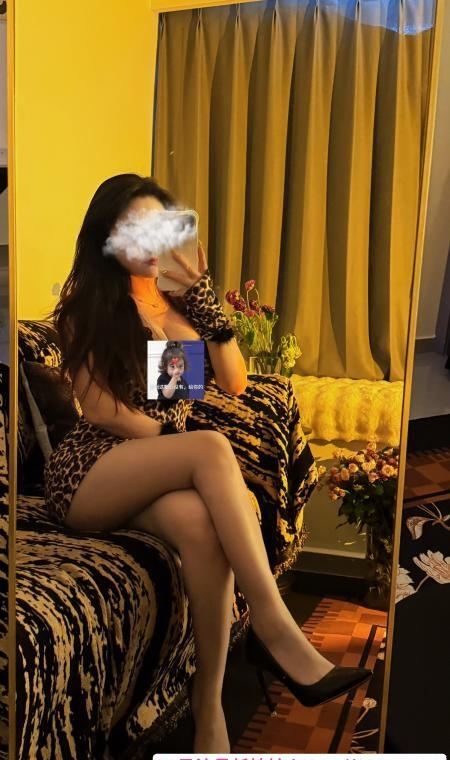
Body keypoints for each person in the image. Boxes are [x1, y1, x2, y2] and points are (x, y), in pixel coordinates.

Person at [43, 174, 371, 752]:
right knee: (211, 448)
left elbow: (232, 382)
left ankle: (209, 705)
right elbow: (103, 411)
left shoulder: (174, 307)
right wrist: (178, 450)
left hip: (153, 465)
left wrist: (205, 306)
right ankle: (273, 625)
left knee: (201, 525)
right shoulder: (87, 307)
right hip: (91, 471)